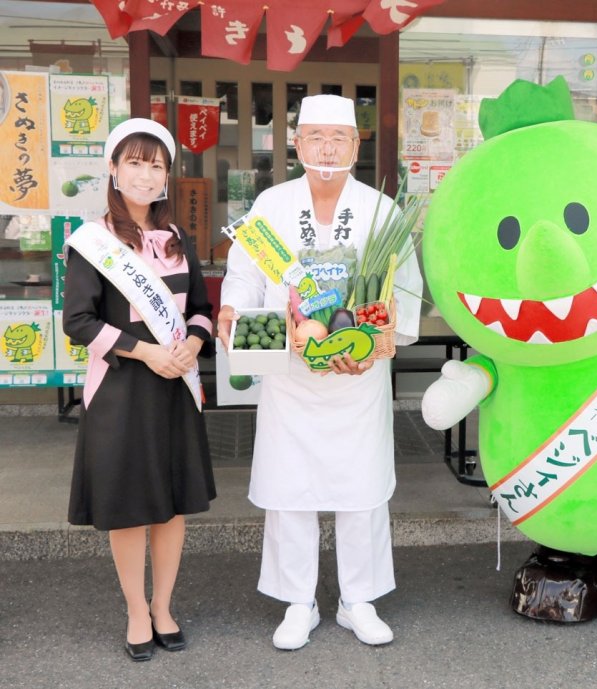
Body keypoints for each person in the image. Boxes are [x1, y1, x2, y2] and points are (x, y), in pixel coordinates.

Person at [217, 95, 423, 650]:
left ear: (356, 146)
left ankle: (359, 600)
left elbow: (403, 290)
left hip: (358, 378)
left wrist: (381, 343)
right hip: (290, 377)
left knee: (361, 489)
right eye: (315, 137)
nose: (327, 147)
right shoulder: (271, 205)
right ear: (296, 143)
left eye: (339, 137)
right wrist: (233, 309)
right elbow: (245, 276)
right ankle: (298, 601)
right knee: (292, 489)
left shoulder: (383, 212)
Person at [63, 118, 216, 662]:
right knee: (130, 506)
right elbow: (78, 322)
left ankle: (164, 607)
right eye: (135, 162)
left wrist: (193, 345)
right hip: (122, 391)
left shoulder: (177, 240)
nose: (146, 175)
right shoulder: (92, 241)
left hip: (176, 389)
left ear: (167, 176)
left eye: (157, 165)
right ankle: (135, 610)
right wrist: (148, 351)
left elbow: (201, 309)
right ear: (112, 168)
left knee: (170, 506)